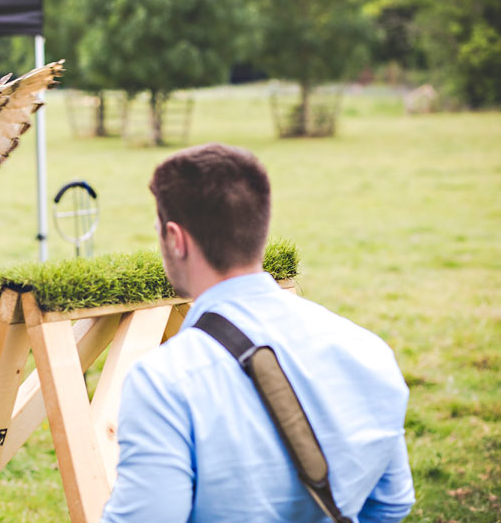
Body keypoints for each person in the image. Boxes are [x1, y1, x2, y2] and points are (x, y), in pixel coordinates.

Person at [100, 143, 415, 522]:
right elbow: (391, 504)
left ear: (176, 238)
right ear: (258, 228)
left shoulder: (164, 382)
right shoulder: (369, 351)